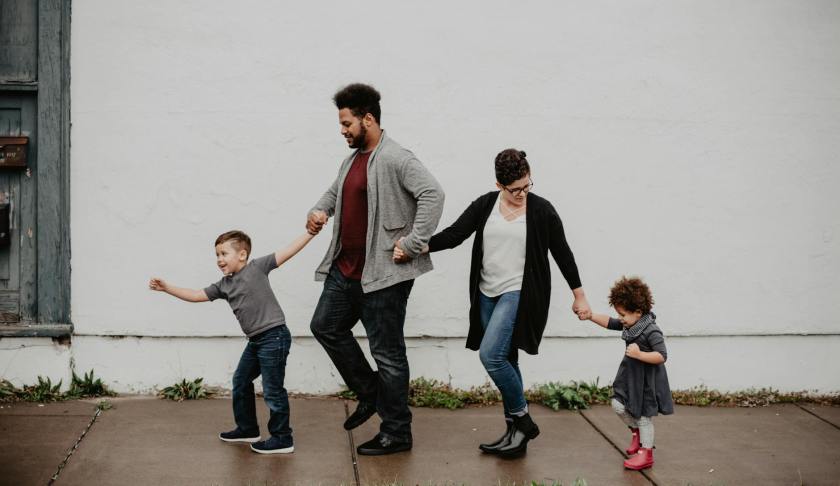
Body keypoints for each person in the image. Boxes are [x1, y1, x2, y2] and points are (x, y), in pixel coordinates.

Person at [395, 148, 591, 457]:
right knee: (507, 359)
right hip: (486, 293)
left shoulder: (541, 211)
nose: (523, 194)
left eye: (527, 186)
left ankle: (523, 421)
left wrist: (578, 294)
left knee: (491, 357)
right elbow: (455, 234)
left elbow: (562, 252)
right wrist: (416, 247)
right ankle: (515, 434)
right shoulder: (487, 205)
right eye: (515, 190)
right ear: (499, 185)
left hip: (519, 293)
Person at [306, 83, 444, 456]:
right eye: (341, 123)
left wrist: (413, 243)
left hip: (383, 275)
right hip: (345, 270)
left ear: (368, 119)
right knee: (325, 326)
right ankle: (370, 394)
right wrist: (319, 211)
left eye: (347, 123)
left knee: (388, 354)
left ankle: (397, 432)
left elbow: (433, 194)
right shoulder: (352, 159)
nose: (343, 130)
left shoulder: (397, 157)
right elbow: (335, 192)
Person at [149, 230, 314, 454]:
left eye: (224, 254)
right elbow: (197, 295)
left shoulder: (257, 267)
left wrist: (311, 232)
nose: (219, 260)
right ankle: (247, 429)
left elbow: (288, 251)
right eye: (217, 255)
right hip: (256, 341)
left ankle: (282, 438)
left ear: (242, 255)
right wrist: (167, 288)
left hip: (274, 336)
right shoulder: (224, 285)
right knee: (241, 380)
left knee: (273, 389)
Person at [584, 276, 673, 470]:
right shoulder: (630, 324)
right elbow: (610, 322)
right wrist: (590, 315)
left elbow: (662, 355)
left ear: (638, 312)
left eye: (623, 314)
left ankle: (646, 453)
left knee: (643, 417)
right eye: (619, 314)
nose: (621, 318)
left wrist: (640, 354)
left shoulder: (651, 330)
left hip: (646, 381)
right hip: (630, 377)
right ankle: (636, 433)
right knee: (617, 404)